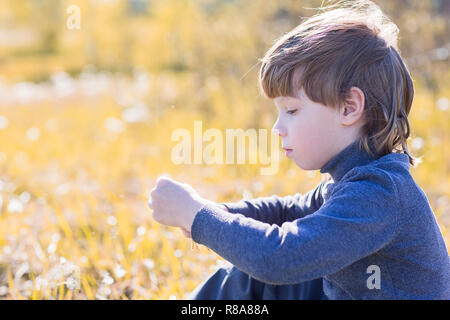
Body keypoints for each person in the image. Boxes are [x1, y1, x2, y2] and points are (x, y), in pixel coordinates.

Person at [149, 0, 450, 299]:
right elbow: (287, 212)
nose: (277, 128)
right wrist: (218, 212)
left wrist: (198, 216)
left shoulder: (379, 193)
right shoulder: (353, 179)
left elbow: (278, 259)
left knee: (272, 269)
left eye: (291, 110)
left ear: (349, 108)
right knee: (246, 277)